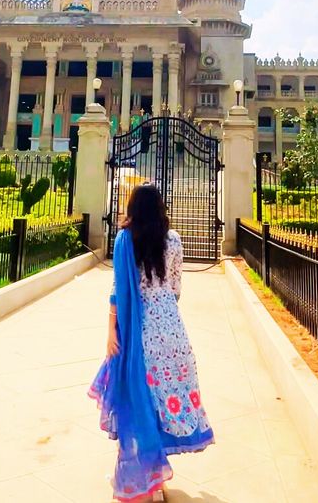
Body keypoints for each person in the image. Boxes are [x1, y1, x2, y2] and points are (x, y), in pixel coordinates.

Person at [89, 184, 214, 502]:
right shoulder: (173, 240)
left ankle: (140, 481)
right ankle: (154, 479)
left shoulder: (125, 241)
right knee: (159, 406)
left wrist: (111, 331)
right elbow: (175, 287)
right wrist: (166, 315)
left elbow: (118, 291)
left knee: (136, 403)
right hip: (171, 332)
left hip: (138, 331)